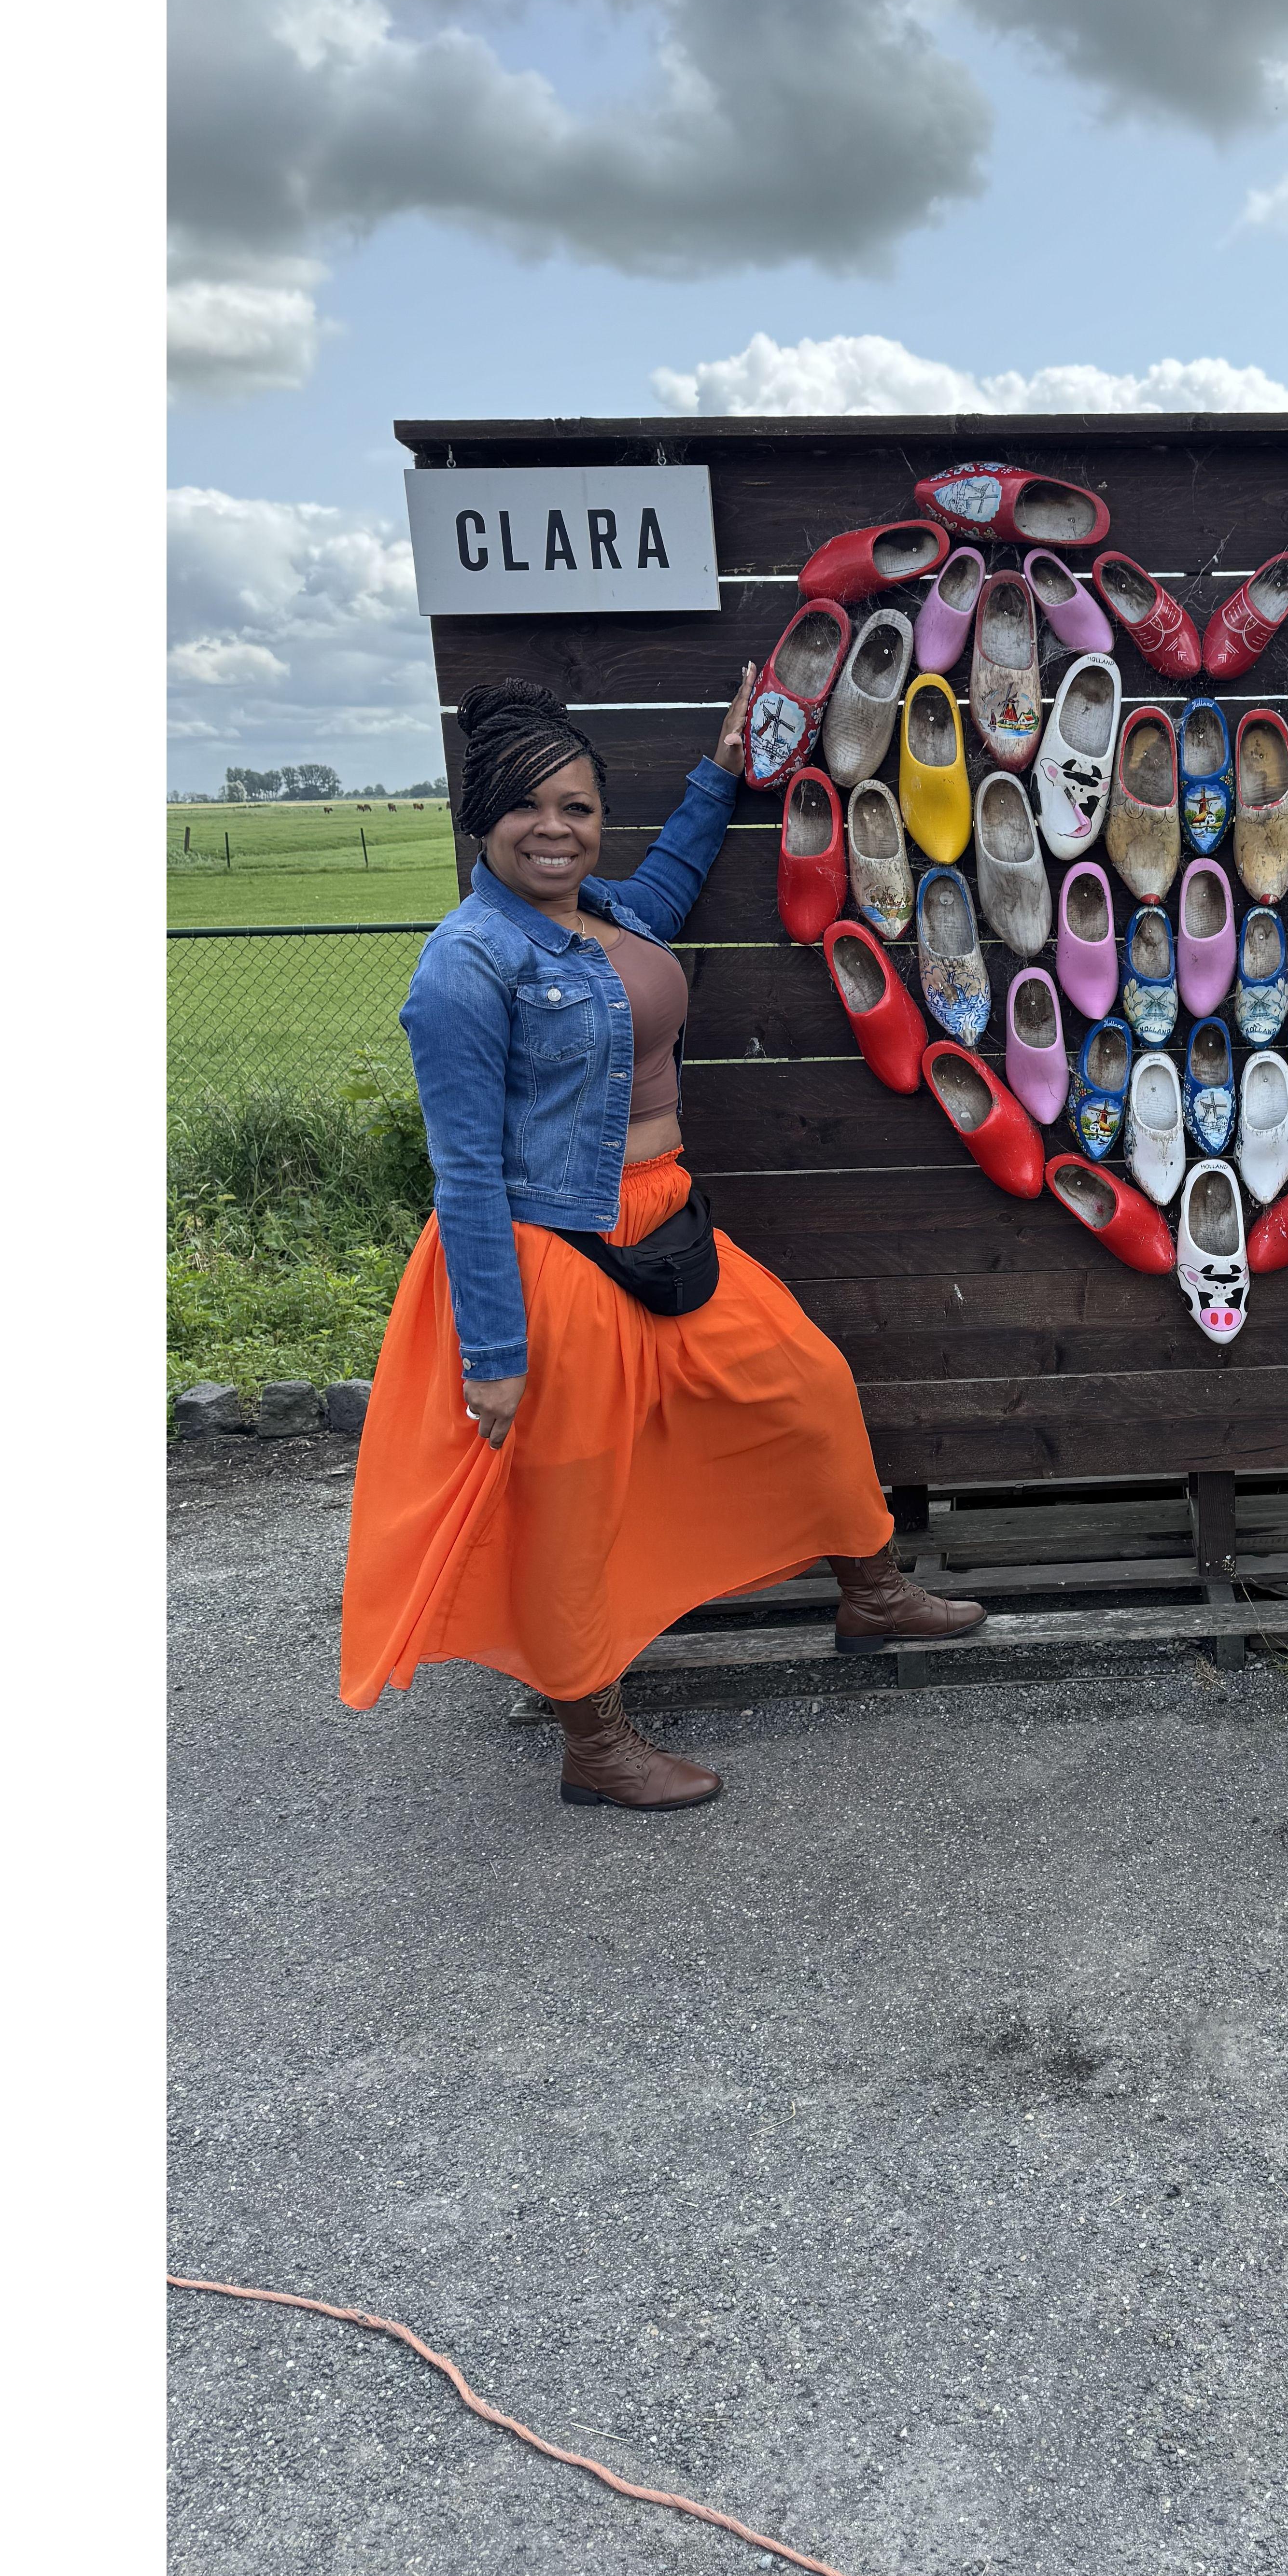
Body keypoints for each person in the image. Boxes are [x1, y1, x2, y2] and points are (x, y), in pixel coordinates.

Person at [338, 674, 983, 1810]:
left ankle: (870, 1593)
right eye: (529, 808)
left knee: (806, 1382)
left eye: (578, 808)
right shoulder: (466, 965)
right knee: (570, 1495)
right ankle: (594, 1739)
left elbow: (673, 883)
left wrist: (719, 772)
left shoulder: (614, 916)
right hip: (554, 1248)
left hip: (666, 1219)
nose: (556, 829)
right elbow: (466, 1174)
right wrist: (493, 1352)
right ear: (481, 820)